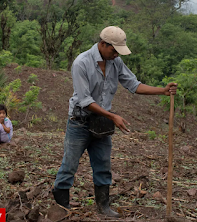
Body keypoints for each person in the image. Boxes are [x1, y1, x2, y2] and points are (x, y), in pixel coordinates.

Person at [52, 26, 177, 217]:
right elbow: (85, 101)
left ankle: (103, 207)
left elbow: (134, 85)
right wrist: (112, 116)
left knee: (103, 166)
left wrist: (163, 90)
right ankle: (62, 208)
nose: (117, 54)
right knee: (69, 166)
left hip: (102, 124)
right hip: (80, 122)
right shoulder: (81, 63)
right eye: (114, 50)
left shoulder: (115, 62)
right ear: (103, 44)